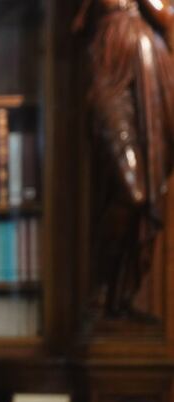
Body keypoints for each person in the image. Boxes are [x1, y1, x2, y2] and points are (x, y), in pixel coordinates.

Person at [74, 0, 174, 320]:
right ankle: (98, 283)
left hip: (147, 68)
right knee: (133, 190)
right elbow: (74, 27)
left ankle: (120, 295)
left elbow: (166, 14)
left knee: (144, 193)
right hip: (108, 66)